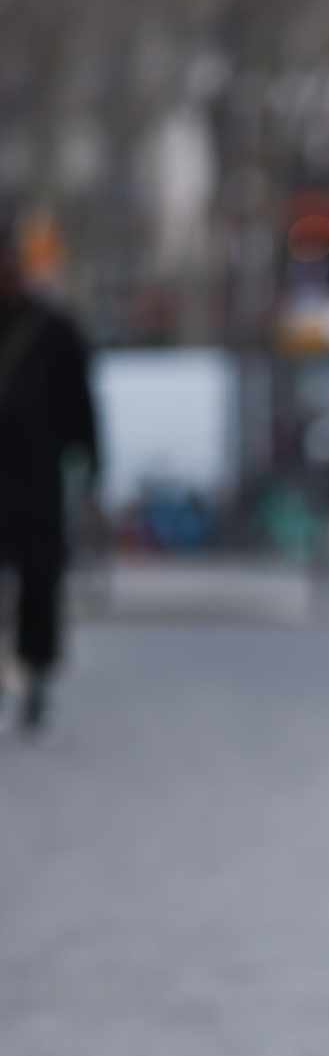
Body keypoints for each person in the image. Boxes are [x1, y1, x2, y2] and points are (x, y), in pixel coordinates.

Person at [0, 223, 101, 732]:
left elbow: (81, 405)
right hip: (26, 476)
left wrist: (91, 466)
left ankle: (34, 675)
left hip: (36, 476)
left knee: (39, 581)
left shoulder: (51, 328)